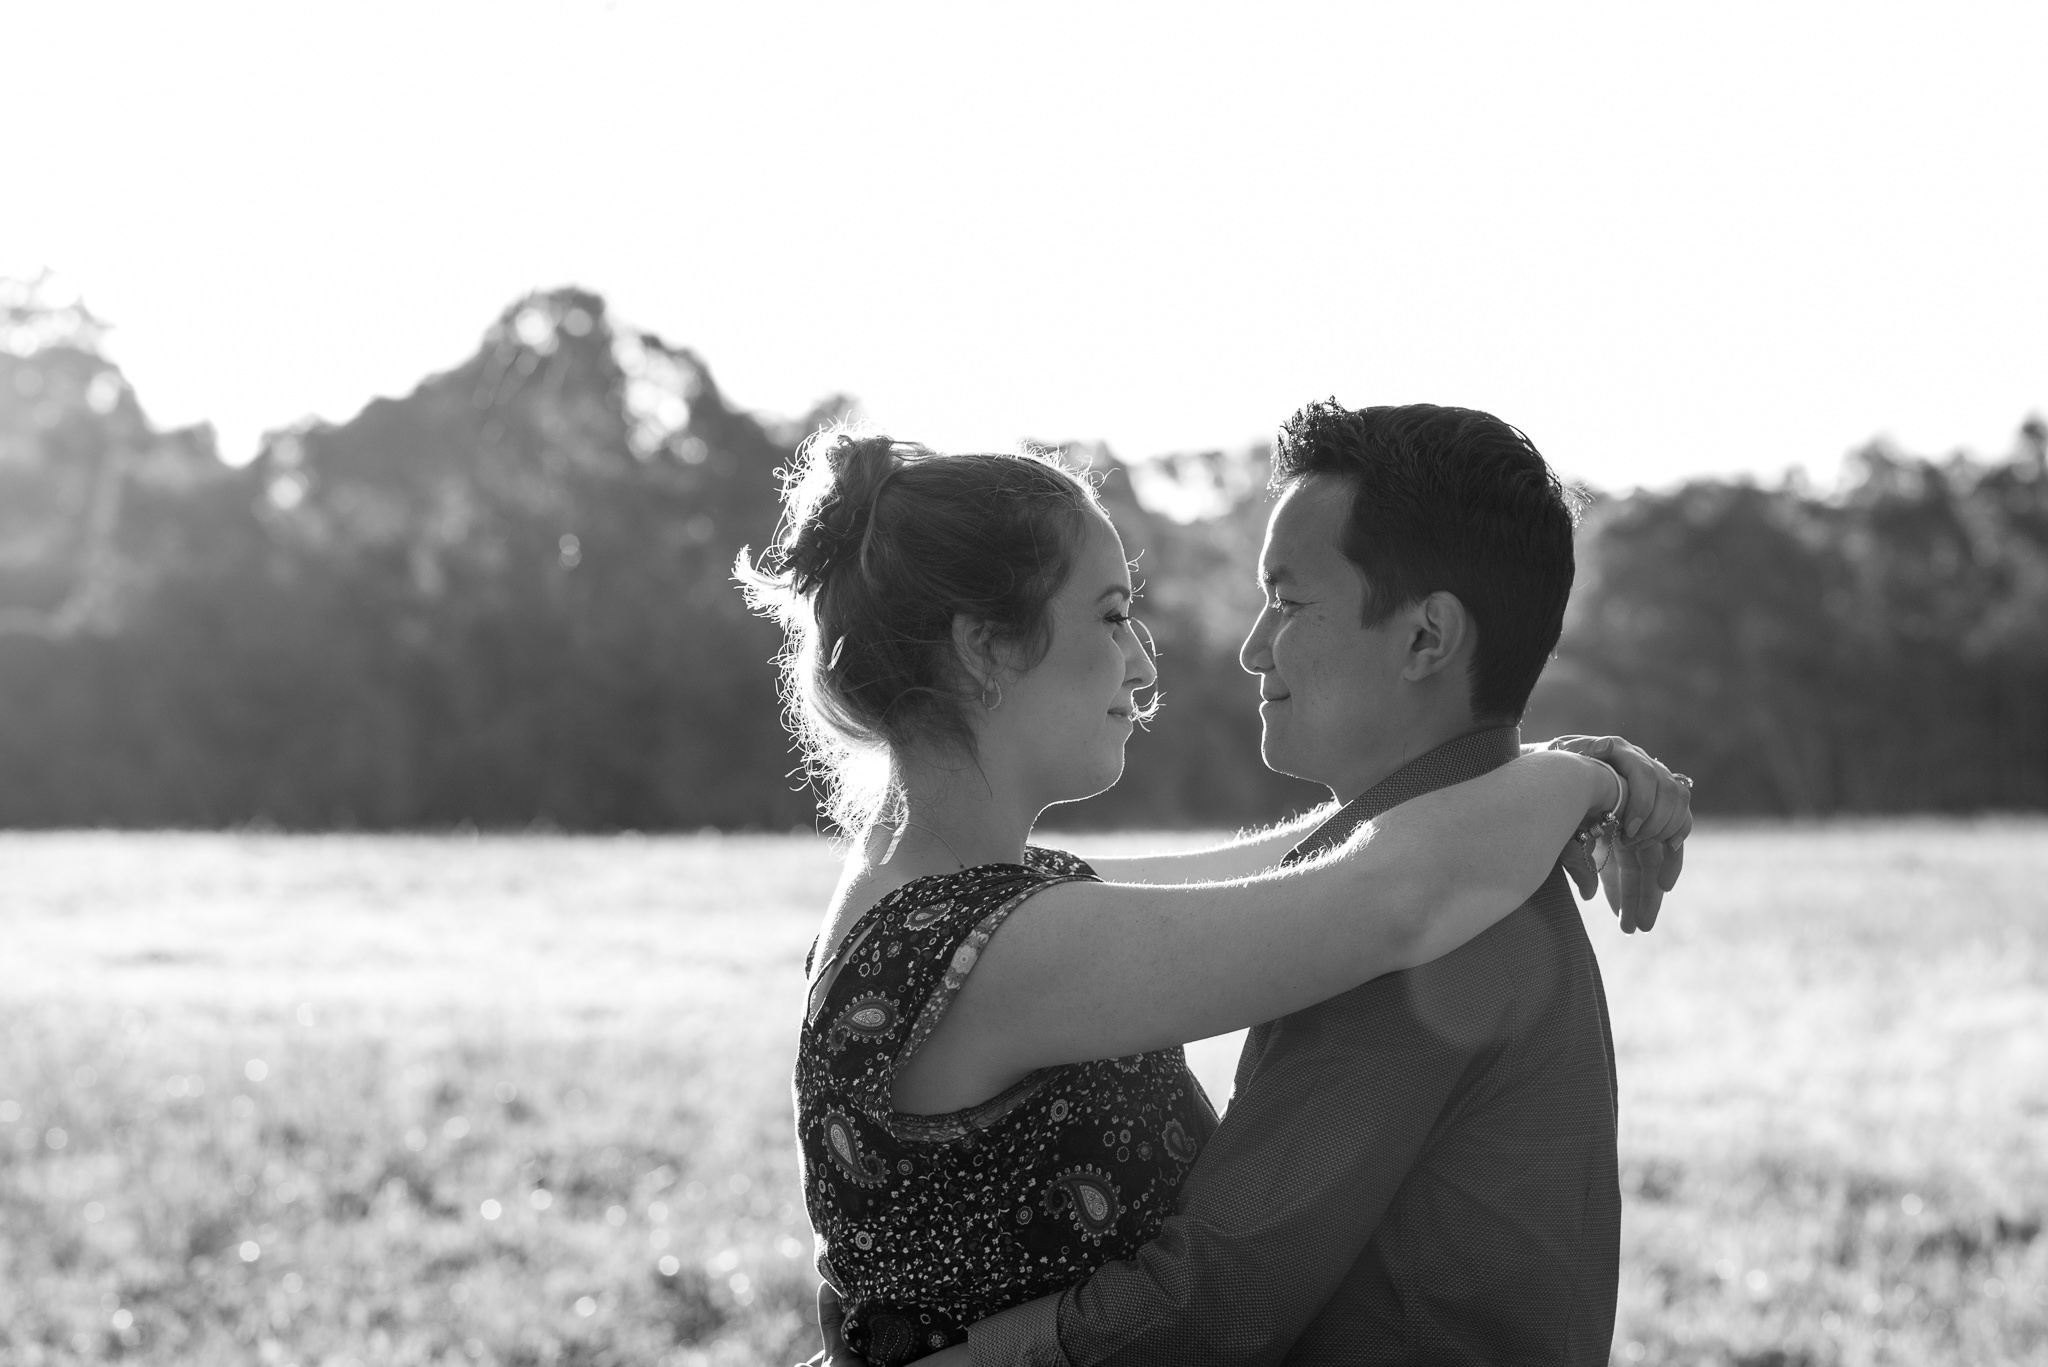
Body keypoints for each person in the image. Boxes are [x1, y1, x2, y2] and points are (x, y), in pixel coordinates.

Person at [737, 423, 1688, 1367]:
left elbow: (1304, 876)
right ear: (987, 648)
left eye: (1287, 601)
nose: (1156, 661)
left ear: (1429, 635)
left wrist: (1533, 782)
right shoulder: (1008, 943)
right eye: (1111, 615)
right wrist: (1576, 780)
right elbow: (1385, 890)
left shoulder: (931, 904)